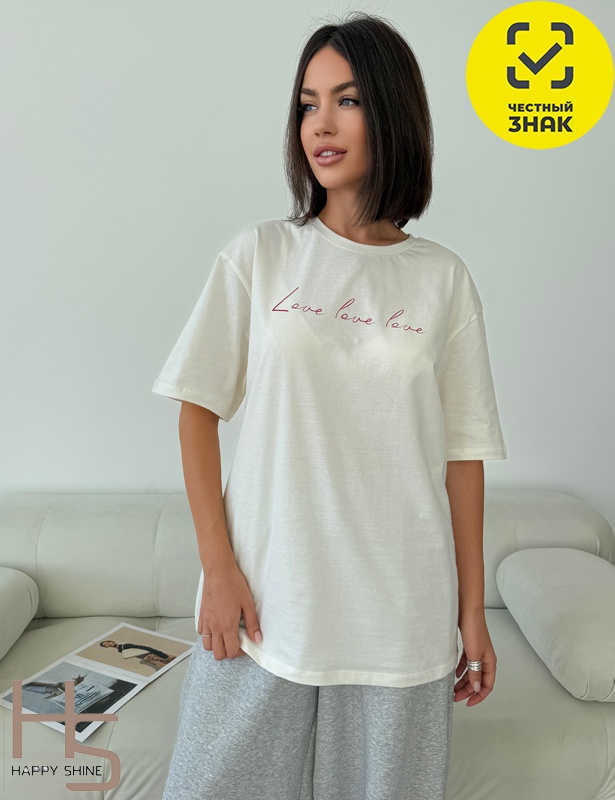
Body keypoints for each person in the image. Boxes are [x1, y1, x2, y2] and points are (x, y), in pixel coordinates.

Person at [152, 11, 507, 800]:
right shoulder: (259, 256)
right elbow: (196, 411)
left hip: (399, 616)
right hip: (266, 607)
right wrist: (218, 569)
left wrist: (470, 611)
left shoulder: (442, 279)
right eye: (307, 104)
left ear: (392, 112)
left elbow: (463, 455)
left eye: (346, 100)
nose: (320, 123)